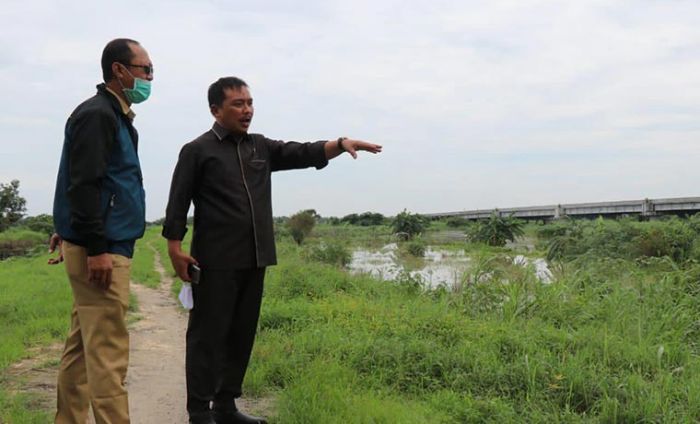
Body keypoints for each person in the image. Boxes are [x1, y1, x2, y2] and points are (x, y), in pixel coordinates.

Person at [162, 76, 382, 424]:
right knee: (208, 336)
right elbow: (178, 202)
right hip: (215, 260)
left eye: (250, 103)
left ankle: (226, 406)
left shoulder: (259, 148)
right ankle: (198, 412)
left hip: (256, 258)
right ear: (215, 110)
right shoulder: (197, 150)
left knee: (241, 334)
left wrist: (340, 143)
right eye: (238, 104)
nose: (247, 110)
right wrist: (175, 249)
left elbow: (302, 152)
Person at [51, 38, 154, 424]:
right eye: (145, 70)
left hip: (99, 244)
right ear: (120, 70)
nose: (149, 78)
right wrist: (94, 246)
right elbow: (84, 183)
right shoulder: (99, 115)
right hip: (104, 251)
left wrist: (69, 228)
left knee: (81, 352)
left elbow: (85, 182)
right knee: (108, 352)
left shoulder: (112, 114)